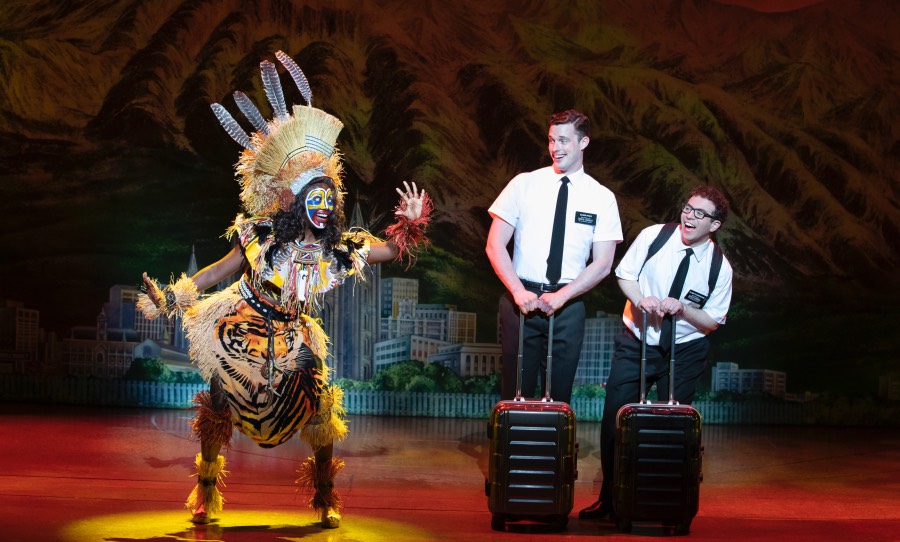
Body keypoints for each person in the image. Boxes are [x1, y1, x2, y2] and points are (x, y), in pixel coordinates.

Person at [138, 51, 431, 529]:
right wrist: (174, 295)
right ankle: (206, 493)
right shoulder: (262, 235)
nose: (322, 205)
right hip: (242, 322)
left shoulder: (338, 249)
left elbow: (389, 251)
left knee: (321, 402)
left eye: (328, 198)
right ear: (295, 201)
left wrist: (410, 224)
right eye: (313, 197)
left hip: (293, 334)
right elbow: (220, 268)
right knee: (218, 399)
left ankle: (325, 496)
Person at [579, 185, 733, 520]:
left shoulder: (720, 268)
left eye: (699, 214)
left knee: (671, 428)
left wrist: (684, 310)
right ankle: (611, 500)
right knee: (614, 422)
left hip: (684, 350)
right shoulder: (655, 236)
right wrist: (639, 299)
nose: (689, 217)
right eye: (687, 208)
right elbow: (625, 274)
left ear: (715, 225)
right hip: (636, 340)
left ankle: (660, 501)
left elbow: (712, 321)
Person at [485, 109, 622, 404]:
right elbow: (495, 245)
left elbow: (603, 263)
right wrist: (518, 291)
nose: (555, 148)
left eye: (563, 140)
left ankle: (553, 450)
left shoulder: (601, 197)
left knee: (558, 397)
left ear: (583, 142)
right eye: (551, 140)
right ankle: (511, 449)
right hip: (520, 301)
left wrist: (563, 296)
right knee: (514, 395)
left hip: (568, 307)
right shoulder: (524, 184)